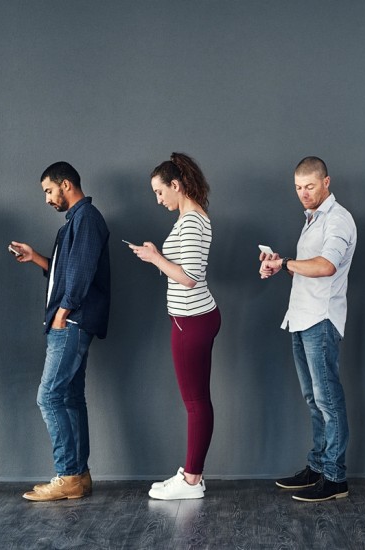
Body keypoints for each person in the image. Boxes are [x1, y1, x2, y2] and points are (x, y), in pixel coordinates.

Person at [10, 161, 111, 501]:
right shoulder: (77, 221)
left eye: (49, 191)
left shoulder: (86, 219)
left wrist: (63, 313)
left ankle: (67, 475)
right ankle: (79, 476)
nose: (47, 199)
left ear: (66, 184)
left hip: (71, 322)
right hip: (72, 320)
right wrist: (36, 257)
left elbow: (80, 274)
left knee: (49, 396)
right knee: (69, 397)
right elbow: (66, 270)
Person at [259, 156, 357, 502]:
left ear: (326, 182)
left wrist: (286, 263)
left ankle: (335, 478)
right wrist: (280, 265)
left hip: (321, 320)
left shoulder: (338, 219)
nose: (303, 193)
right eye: (298, 187)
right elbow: (308, 267)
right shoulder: (313, 219)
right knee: (314, 399)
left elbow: (327, 265)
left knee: (328, 400)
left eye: (310, 186)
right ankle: (317, 467)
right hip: (300, 318)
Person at [129, 152, 221, 500]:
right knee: (197, 400)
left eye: (159, 191)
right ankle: (193, 475)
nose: (158, 199)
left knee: (195, 402)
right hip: (190, 320)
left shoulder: (193, 221)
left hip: (192, 321)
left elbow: (190, 278)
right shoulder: (187, 219)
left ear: (176, 185)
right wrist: (157, 256)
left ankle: (192, 481)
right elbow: (182, 268)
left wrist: (155, 258)